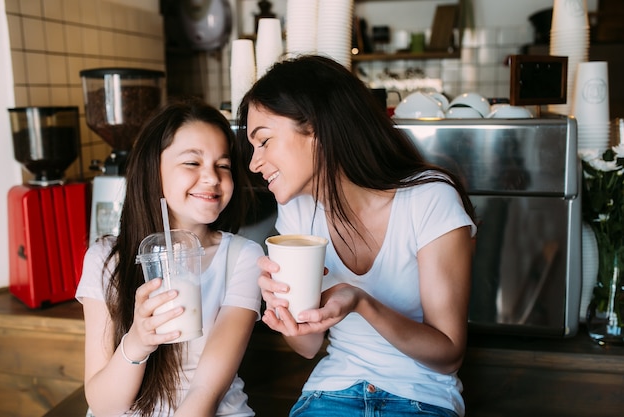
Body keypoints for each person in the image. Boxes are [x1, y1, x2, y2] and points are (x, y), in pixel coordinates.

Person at [236, 55, 477, 417]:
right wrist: (285, 312)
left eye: (264, 141)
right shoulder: (298, 210)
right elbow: (306, 346)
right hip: (330, 392)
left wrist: (361, 302)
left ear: (316, 128)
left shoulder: (429, 198)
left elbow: (448, 355)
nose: (254, 163)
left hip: (419, 396)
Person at [76, 98, 263, 417]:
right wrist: (138, 341)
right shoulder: (106, 259)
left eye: (223, 165)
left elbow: (206, 391)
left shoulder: (242, 257)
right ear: (153, 169)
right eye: (192, 163)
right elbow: (104, 407)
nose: (212, 177)